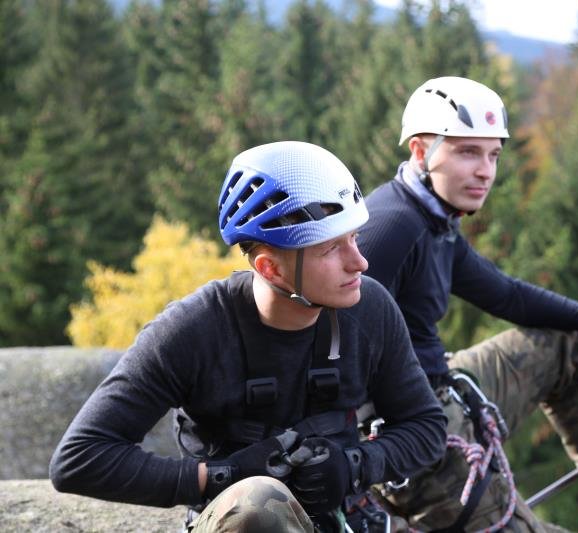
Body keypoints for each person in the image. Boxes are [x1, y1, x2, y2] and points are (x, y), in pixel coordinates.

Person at [356, 76, 578, 532]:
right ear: (421, 152)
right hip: (415, 445)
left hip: (438, 389)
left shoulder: (435, 220)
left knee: (560, 344)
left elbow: (506, 295)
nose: (486, 171)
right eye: (468, 152)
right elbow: (331, 343)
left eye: (493, 155)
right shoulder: (391, 229)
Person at [49, 141, 447, 532]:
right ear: (270, 268)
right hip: (237, 524)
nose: (359, 262)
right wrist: (221, 477)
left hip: (343, 520)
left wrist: (356, 464)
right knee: (258, 504)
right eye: (330, 249)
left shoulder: (369, 309)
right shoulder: (194, 330)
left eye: (354, 238)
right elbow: (80, 458)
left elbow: (426, 426)